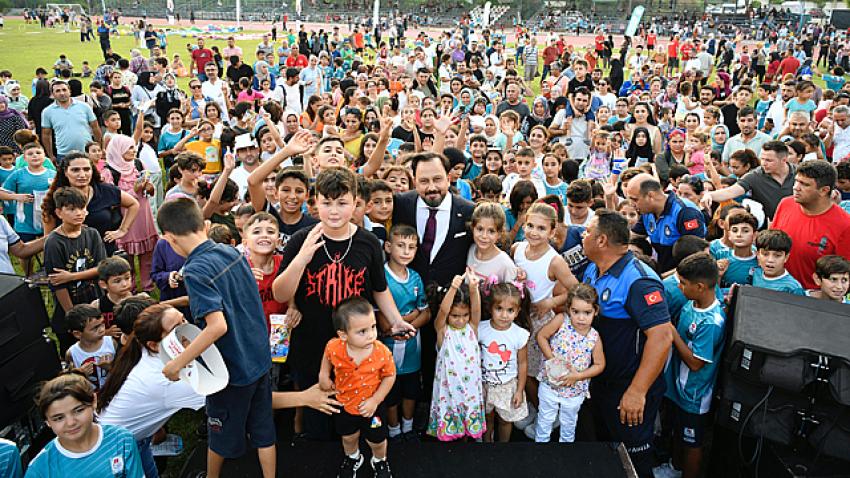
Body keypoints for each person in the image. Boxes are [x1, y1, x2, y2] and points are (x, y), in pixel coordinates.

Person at [274, 167, 414, 440]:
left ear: (356, 203)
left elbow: (379, 289)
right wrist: (302, 259)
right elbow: (280, 293)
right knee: (321, 416)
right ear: (315, 202)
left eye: (342, 203)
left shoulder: (368, 242)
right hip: (312, 345)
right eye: (327, 203)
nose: (334, 211)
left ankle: (361, 458)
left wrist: (396, 320)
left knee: (362, 415)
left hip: (358, 347)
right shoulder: (303, 240)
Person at [157, 198, 276, 478]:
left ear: (170, 239)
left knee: (219, 433)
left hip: (231, 369)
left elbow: (216, 326)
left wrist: (177, 363)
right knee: (264, 430)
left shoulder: (195, 269)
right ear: (205, 225)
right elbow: (225, 295)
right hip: (258, 357)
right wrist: (172, 304)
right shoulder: (229, 251)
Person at [582, 210, 673, 478]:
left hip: (628, 390)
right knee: (607, 454)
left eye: (588, 232)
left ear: (601, 241)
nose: (582, 236)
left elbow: (662, 336)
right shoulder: (593, 267)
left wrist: (637, 391)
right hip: (601, 384)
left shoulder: (639, 280)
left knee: (633, 463)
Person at [663, 253, 726, 478]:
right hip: (678, 388)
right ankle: (674, 468)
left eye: (683, 283)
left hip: (694, 395)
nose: (678, 287)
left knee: (692, 443)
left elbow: (696, 363)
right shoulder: (691, 303)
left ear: (700, 286)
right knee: (679, 434)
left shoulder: (711, 323)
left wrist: (671, 332)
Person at [319, 297, 396, 478]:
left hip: (373, 408)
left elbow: (390, 376)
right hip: (344, 404)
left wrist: (375, 400)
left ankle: (379, 460)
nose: (371, 334)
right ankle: (353, 457)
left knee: (377, 439)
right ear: (343, 335)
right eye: (362, 331)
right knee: (348, 437)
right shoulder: (334, 347)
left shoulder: (382, 352)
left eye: (373, 327)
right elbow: (327, 356)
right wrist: (323, 374)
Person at [25, 374, 143, 477]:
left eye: (78, 410)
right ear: (47, 422)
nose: (71, 422)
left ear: (94, 402)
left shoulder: (121, 439)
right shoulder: (40, 469)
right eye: (59, 418)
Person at [534, 283, 605, 443]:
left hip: (574, 390)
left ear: (596, 311)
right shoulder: (561, 321)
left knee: (569, 423)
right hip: (549, 383)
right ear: (568, 309)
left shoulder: (594, 337)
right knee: (545, 419)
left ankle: (566, 453)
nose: (581, 318)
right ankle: (539, 450)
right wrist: (552, 359)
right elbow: (542, 336)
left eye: (587, 312)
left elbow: (600, 364)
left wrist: (579, 376)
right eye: (575, 312)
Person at [379, 224, 431, 441]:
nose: (406, 251)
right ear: (388, 246)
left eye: (412, 247)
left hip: (412, 349)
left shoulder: (416, 277)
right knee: (391, 394)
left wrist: (408, 324)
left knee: (411, 391)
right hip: (388, 350)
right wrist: (407, 318)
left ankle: (408, 429)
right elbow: (383, 323)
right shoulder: (381, 275)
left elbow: (426, 313)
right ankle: (393, 430)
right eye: (401, 246)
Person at [44, 187, 107, 353]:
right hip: (69, 310)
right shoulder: (54, 243)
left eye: (82, 208)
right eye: (71, 209)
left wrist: (71, 276)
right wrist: (73, 317)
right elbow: (58, 283)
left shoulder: (92, 234)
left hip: (94, 303)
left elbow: (102, 268)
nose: (78, 213)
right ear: (59, 212)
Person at [771, 160, 850, 289]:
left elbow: (843, 276)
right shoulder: (785, 204)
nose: (796, 187)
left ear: (824, 190)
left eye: (804, 184)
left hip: (812, 303)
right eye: (796, 181)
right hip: (773, 291)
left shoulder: (845, 225)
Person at [427, 270, 485, 441]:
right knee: (450, 414)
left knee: (468, 416)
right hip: (449, 389)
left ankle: (469, 436)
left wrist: (474, 289)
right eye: (455, 316)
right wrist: (453, 288)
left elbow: (476, 309)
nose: (460, 320)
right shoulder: (443, 330)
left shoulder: (472, 328)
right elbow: (443, 311)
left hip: (470, 389)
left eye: (464, 315)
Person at [478, 281, 530, 443]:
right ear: (490, 308)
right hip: (484, 384)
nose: (504, 315)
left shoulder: (519, 334)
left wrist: (519, 390)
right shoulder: (480, 329)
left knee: (505, 420)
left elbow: (522, 364)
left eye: (510, 310)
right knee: (487, 418)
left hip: (507, 386)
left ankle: (503, 447)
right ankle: (487, 444)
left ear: (517, 311)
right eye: (499, 309)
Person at [627, 174, 706, 273]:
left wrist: (664, 279)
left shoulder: (685, 212)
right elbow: (631, 238)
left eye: (635, 199)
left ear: (650, 195)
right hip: (663, 274)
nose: (631, 204)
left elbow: (698, 258)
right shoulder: (646, 212)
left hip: (684, 278)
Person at [701, 141, 796, 220]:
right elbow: (730, 192)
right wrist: (709, 195)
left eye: (769, 160)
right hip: (768, 227)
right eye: (762, 159)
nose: (764, 163)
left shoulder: (799, 173)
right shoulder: (755, 176)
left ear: (784, 160)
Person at [40, 80, 103, 161]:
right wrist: (51, 156)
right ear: (53, 94)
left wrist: (99, 148)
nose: (62, 93)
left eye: (64, 90)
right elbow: (46, 135)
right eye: (58, 91)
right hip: (63, 154)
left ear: (69, 91)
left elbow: (95, 127)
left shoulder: (84, 106)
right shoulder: (47, 112)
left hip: (87, 152)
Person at [65, 304, 117, 391]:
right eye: (95, 328)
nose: (101, 329)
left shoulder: (111, 343)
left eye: (102, 324)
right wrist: (80, 373)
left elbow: (124, 370)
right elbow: (70, 382)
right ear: (77, 334)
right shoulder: (72, 353)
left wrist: (110, 367)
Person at [752, 230, 805, 296]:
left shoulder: (793, 288)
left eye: (777, 255)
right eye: (765, 254)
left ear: (786, 257)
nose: (770, 260)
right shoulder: (755, 273)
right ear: (758, 255)